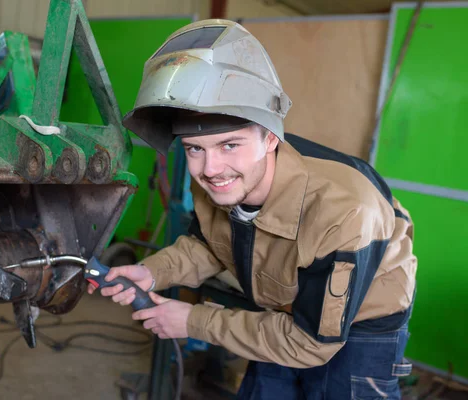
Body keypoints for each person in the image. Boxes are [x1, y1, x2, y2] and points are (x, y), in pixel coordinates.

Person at [88, 19, 417, 399]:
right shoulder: (220, 182)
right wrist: (151, 272)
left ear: (271, 138)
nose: (210, 170)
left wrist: (194, 321)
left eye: (230, 145)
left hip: (359, 325)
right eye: (196, 149)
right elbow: (210, 244)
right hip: (282, 309)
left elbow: (311, 342)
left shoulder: (345, 211)